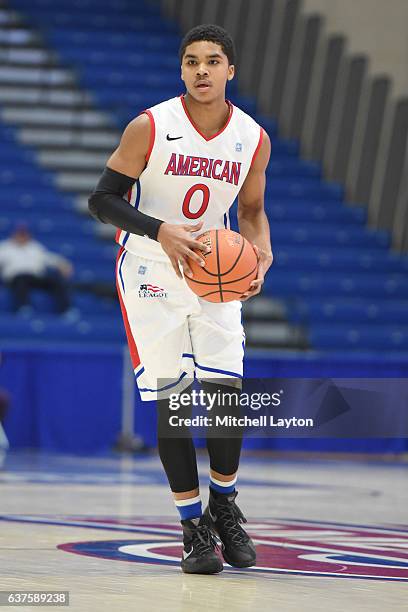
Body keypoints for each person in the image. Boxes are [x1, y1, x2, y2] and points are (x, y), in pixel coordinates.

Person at [88, 24, 273, 574]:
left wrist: (261, 254)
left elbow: (253, 213)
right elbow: (101, 200)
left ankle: (225, 504)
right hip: (149, 269)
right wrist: (157, 229)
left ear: (230, 70)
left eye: (212, 61)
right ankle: (193, 527)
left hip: (213, 268)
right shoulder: (149, 126)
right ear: (181, 69)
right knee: (173, 402)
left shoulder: (253, 138)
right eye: (191, 61)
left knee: (226, 392)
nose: (201, 70)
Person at [0, 224, 73, 314]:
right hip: (16, 278)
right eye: (20, 234)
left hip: (35, 277)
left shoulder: (35, 247)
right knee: (21, 280)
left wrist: (63, 264)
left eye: (24, 234)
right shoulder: (5, 247)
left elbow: (49, 258)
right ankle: (24, 307)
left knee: (56, 281)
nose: (22, 236)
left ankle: (66, 310)